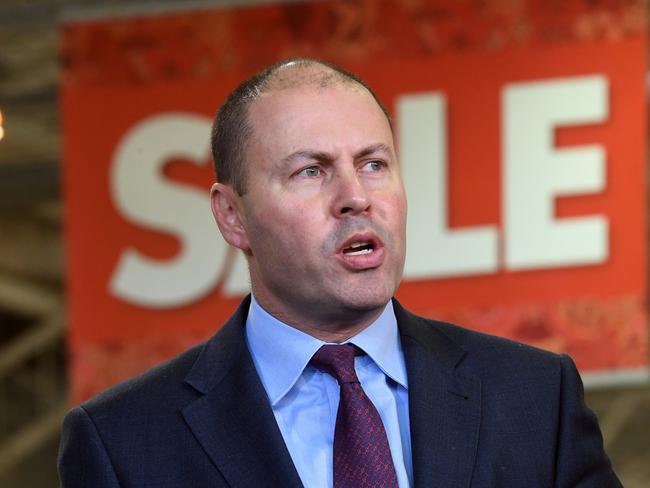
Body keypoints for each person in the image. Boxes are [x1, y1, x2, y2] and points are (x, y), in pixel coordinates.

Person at [58, 58, 622, 487]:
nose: (356, 197)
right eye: (311, 171)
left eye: (374, 164)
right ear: (233, 217)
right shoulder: (122, 444)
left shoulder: (535, 398)